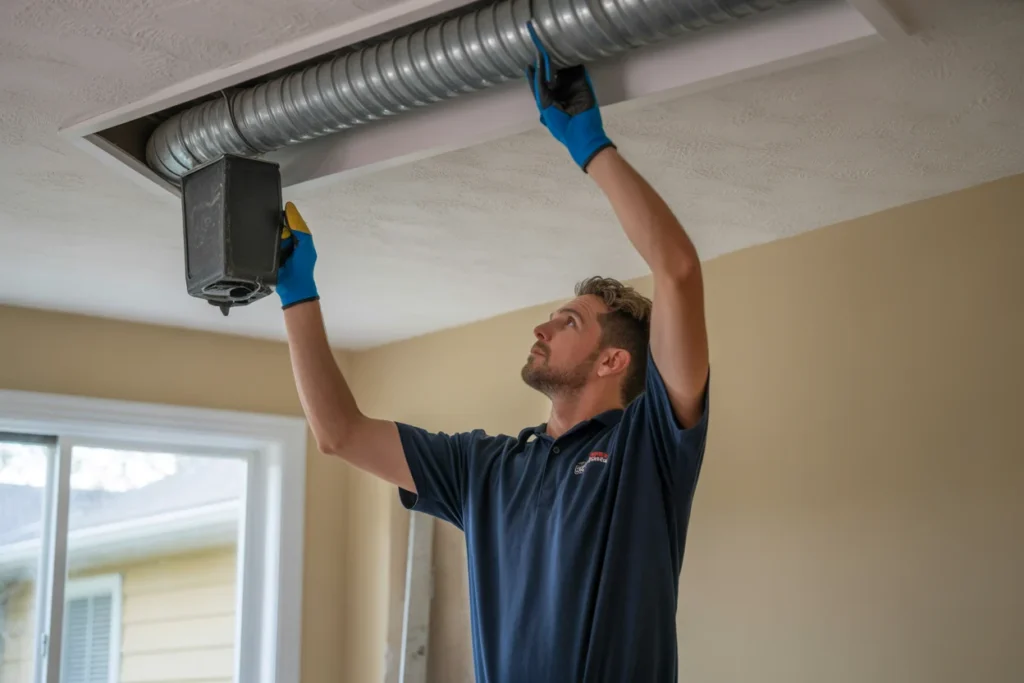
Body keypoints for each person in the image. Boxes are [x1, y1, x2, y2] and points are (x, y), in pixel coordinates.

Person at [276, 33, 710, 683]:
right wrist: (296, 293)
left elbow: (676, 268)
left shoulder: (648, 449)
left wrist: (592, 148)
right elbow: (338, 433)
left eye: (568, 322)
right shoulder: (486, 469)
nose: (541, 326)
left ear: (613, 361)